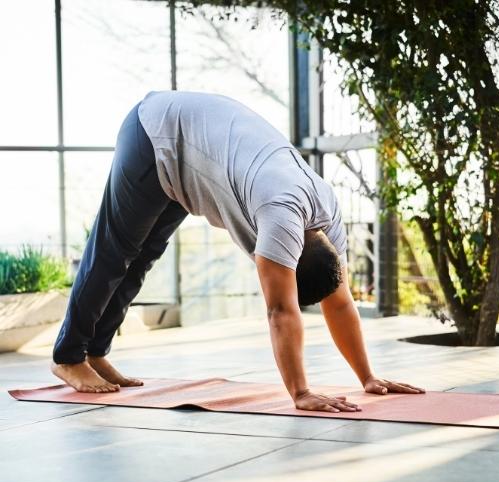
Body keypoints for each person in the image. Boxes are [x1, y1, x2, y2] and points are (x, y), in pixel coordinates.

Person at [51, 91, 424, 412]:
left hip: (192, 157)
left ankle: (96, 352)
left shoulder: (327, 219)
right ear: (291, 260)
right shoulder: (281, 218)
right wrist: (301, 393)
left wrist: (368, 377)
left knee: (143, 257)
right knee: (116, 250)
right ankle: (68, 357)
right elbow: (280, 311)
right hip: (157, 132)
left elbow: (340, 303)